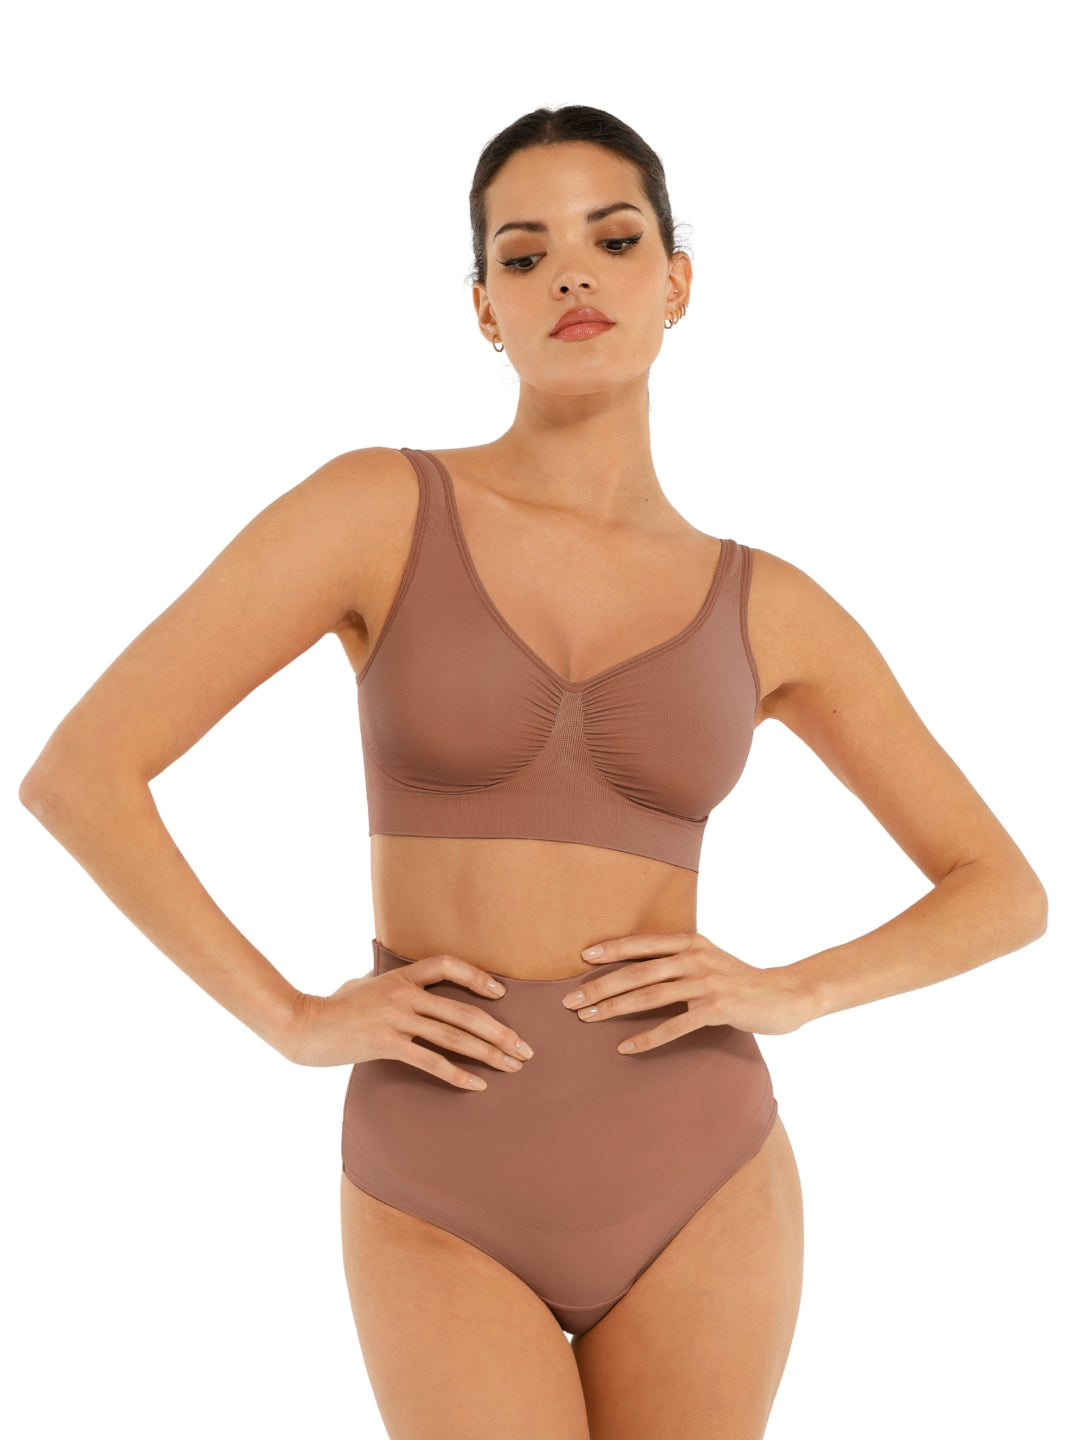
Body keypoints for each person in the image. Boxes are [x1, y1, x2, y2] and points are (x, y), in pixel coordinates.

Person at [18, 104, 1048, 1440]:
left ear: (677, 283)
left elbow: (1002, 889)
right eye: (523, 254)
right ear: (483, 310)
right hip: (438, 1167)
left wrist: (792, 991)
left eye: (613, 240)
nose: (570, 275)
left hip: (700, 1165)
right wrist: (289, 1018)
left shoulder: (772, 606)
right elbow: (82, 772)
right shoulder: (378, 509)